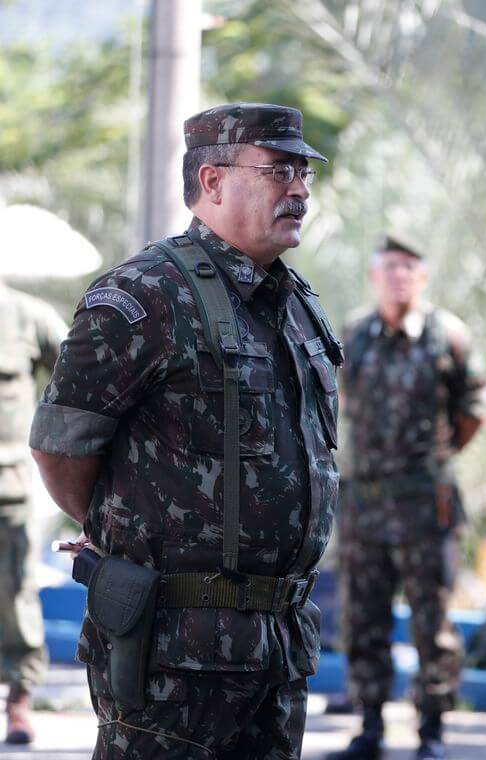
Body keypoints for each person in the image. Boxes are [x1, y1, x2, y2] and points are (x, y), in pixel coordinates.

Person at [29, 102, 340, 759]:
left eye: (304, 173)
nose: (301, 189)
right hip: (172, 648)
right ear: (212, 182)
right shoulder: (146, 297)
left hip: (277, 645)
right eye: (279, 171)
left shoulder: (295, 306)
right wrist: (123, 527)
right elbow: (59, 450)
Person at [329, 234, 486, 760]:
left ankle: (432, 733)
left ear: (422, 279)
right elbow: (342, 399)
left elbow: (472, 412)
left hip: (425, 502)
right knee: (363, 616)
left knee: (431, 621)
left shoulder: (448, 337)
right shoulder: (355, 334)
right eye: (389, 267)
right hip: (365, 502)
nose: (399, 276)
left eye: (409, 268)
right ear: (374, 277)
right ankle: (369, 727)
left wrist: (433, 461)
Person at [0, 280, 67, 745]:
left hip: (9, 487)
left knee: (16, 593)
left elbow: (83, 382)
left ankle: (19, 698)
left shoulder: (26, 315)